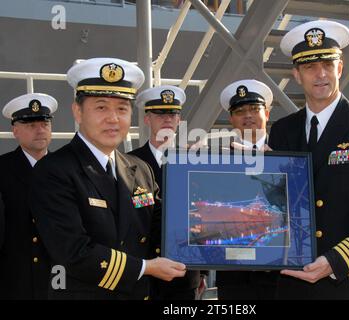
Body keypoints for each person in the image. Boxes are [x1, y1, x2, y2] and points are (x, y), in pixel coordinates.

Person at [30, 58, 186, 300]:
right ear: (77, 111)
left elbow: (161, 227)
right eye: (101, 107)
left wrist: (211, 228)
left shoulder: (140, 169)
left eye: (122, 109)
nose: (113, 118)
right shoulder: (53, 171)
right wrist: (146, 268)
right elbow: (73, 252)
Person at [269, 20, 349, 299]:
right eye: (309, 67)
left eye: (328, 65)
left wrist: (335, 261)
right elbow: (277, 208)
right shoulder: (283, 131)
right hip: (295, 283)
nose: (321, 75)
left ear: (340, 68)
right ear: (296, 74)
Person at [129, 85, 205, 300]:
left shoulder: (193, 161)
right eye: (160, 114)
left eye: (172, 114)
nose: (167, 119)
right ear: (147, 119)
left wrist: (203, 269)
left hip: (183, 271)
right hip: (144, 270)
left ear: (179, 120)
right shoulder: (129, 163)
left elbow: (203, 216)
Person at [215, 79, 278, 300]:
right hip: (234, 272)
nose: (248, 115)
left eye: (254, 109)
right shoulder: (215, 159)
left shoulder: (287, 155)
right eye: (240, 111)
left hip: (280, 269)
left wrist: (273, 166)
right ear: (232, 119)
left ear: (267, 114)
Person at [0, 93, 57, 299]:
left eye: (44, 123)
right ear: (15, 130)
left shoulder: (68, 169)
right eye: (31, 125)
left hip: (60, 277)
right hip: (15, 279)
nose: (40, 129)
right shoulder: (3, 169)